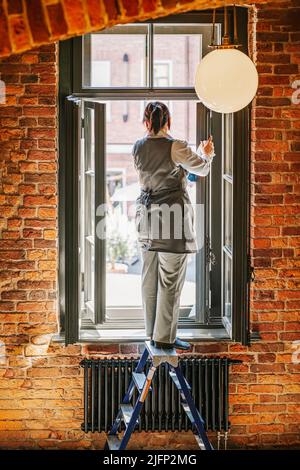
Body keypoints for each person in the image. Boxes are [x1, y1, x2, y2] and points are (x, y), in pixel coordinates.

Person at [132, 101, 215, 350]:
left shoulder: (137, 147)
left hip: (145, 220)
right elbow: (202, 169)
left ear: (146, 122)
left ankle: (151, 333)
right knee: (170, 280)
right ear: (168, 121)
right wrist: (206, 152)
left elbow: (160, 176)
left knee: (149, 279)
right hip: (171, 221)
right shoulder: (176, 146)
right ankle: (164, 338)